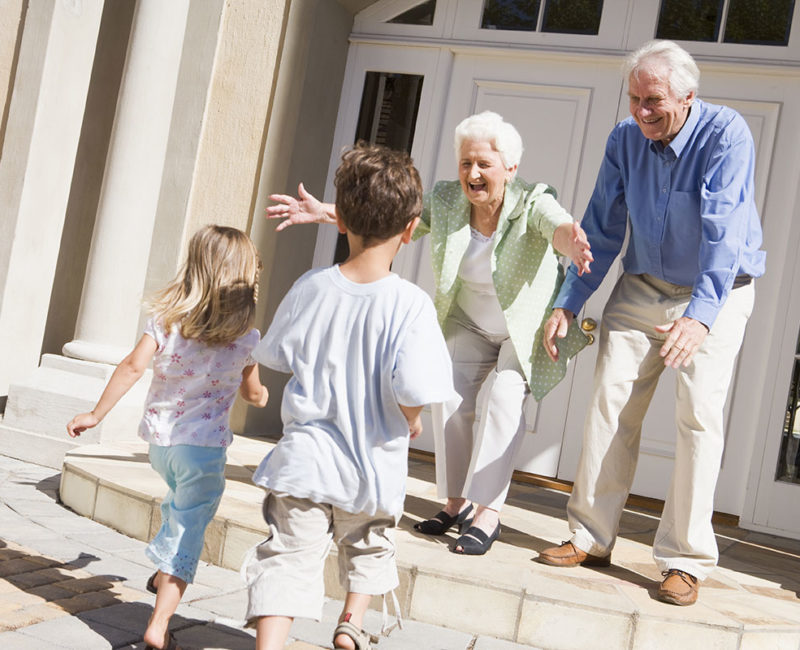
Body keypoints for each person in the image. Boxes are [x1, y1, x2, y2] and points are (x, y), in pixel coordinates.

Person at [266, 111, 592, 556]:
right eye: (465, 164)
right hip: (469, 320)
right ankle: (456, 502)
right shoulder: (445, 199)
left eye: (483, 165)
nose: (472, 174)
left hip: (522, 327)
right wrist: (328, 212)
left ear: (510, 169)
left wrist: (569, 241)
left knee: (503, 399)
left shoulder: (533, 201)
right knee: (452, 399)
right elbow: (392, 218)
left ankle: (488, 511)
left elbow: (555, 225)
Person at [538, 40, 766, 607]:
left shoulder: (726, 133)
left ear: (689, 96)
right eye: (635, 98)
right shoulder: (624, 139)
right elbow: (602, 225)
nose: (641, 111)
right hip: (642, 286)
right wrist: (571, 300)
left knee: (697, 417)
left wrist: (702, 316)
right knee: (610, 404)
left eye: (654, 100)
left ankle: (685, 559)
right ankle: (590, 536)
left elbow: (723, 230)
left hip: (719, 288)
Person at [242, 143, 457, 650]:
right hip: (372, 464)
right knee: (369, 545)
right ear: (411, 229)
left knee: (288, 556)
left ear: (340, 221)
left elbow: (276, 356)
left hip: (305, 461)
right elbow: (413, 388)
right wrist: (413, 417)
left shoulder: (311, 287)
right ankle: (350, 623)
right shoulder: (412, 305)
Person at [66, 225, 269, 650]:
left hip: (160, 446)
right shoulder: (246, 339)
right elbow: (254, 395)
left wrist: (95, 413)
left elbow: (130, 367)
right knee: (189, 533)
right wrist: (263, 393)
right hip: (205, 452)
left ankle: (160, 573)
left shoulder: (165, 322)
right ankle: (159, 625)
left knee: (178, 509)